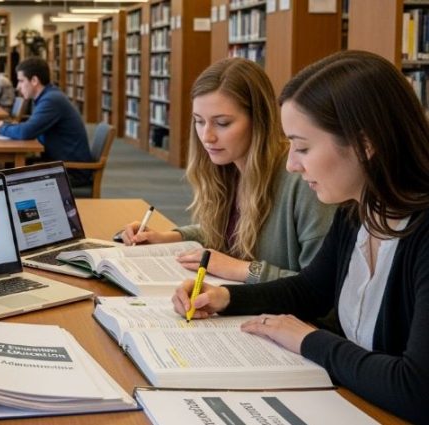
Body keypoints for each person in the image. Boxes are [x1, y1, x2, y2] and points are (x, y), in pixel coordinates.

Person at [173, 51, 429, 424]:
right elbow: (310, 290)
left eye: (304, 147)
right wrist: (225, 297)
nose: (292, 163)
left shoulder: (422, 233)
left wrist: (308, 340)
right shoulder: (358, 209)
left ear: (365, 143)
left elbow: (417, 390)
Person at [119, 58, 334, 283]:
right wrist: (169, 237)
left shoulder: (304, 181)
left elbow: (321, 290)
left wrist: (242, 270)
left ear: (258, 121)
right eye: (199, 121)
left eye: (222, 123)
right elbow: (226, 233)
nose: (207, 137)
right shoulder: (227, 168)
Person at [0, 57, 94, 186]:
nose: (18, 87)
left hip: (71, 172)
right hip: (57, 163)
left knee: (8, 178)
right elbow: (30, 126)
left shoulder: (51, 101)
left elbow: (26, 132)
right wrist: (4, 125)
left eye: (21, 81)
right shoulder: (46, 97)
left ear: (34, 80)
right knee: (6, 171)